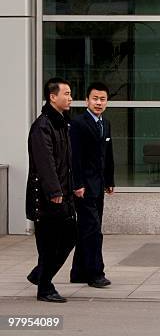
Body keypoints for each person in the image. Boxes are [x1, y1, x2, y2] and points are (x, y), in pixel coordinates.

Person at [25, 77, 76, 303]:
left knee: (69, 236)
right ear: (52, 97)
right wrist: (55, 192)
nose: (70, 98)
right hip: (47, 198)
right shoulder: (43, 126)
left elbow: (66, 162)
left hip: (63, 194)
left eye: (70, 94)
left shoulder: (62, 123)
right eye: (66, 94)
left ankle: (40, 275)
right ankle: (44, 287)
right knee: (49, 244)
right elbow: (45, 163)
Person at [69, 82, 115, 288]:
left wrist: (110, 180)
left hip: (99, 186)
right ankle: (96, 273)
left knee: (87, 229)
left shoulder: (106, 124)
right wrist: (77, 184)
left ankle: (78, 272)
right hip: (84, 186)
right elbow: (74, 157)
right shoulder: (78, 123)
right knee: (93, 229)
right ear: (87, 100)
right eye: (95, 98)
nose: (98, 102)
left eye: (102, 99)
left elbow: (108, 154)